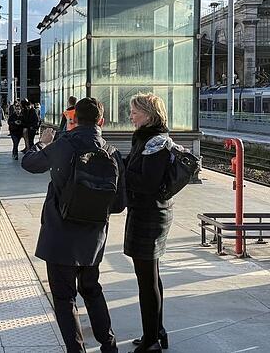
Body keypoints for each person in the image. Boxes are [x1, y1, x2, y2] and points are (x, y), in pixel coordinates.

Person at [21, 98, 126, 353]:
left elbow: (29, 163)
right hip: (93, 239)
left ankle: (76, 350)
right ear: (101, 121)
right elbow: (119, 204)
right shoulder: (112, 152)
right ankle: (109, 345)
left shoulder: (64, 144)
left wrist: (42, 143)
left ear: (74, 119)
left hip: (60, 236)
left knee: (64, 297)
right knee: (92, 290)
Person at [125, 93, 173, 352]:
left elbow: (148, 183)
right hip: (148, 211)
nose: (131, 116)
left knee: (146, 279)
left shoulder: (155, 143)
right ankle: (156, 331)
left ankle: (151, 341)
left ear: (148, 115)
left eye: (135, 112)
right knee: (151, 275)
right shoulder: (147, 139)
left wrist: (122, 173)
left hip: (150, 214)